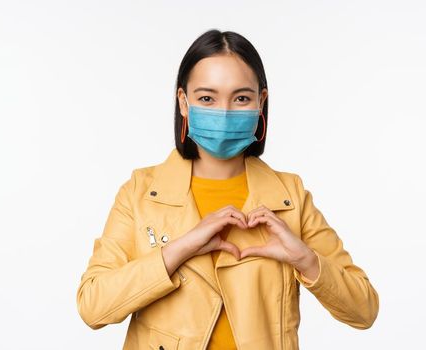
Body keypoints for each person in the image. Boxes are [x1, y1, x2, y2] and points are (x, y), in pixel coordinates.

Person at [76, 29, 379, 350]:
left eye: (241, 98)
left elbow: (364, 310)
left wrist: (306, 260)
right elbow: (93, 306)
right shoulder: (140, 192)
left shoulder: (291, 196)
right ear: (183, 102)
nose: (223, 111)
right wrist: (179, 249)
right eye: (207, 98)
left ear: (261, 102)